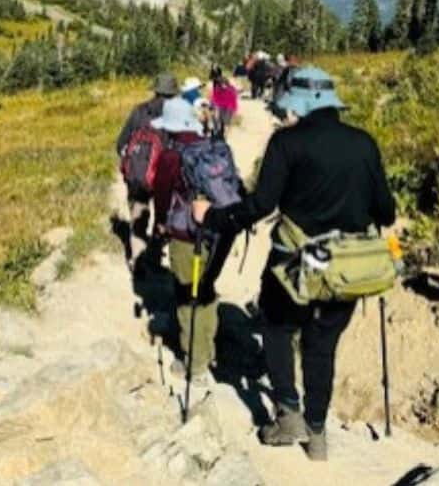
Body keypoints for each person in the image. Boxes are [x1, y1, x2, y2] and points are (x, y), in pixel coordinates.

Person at [192, 65, 395, 461]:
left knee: (276, 328)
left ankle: (288, 414)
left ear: (299, 102)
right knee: (323, 347)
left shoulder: (287, 143)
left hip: (293, 265)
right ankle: (317, 434)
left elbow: (260, 206)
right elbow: (385, 212)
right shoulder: (364, 143)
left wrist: (211, 216)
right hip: (346, 269)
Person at [148, 97, 234, 381]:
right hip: (217, 231)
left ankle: (195, 364)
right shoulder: (212, 146)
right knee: (206, 290)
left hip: (187, 235)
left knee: (189, 296)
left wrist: (160, 225)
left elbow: (161, 197)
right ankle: (208, 351)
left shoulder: (172, 156)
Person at [113, 73, 180, 268]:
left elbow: (120, 144)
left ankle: (138, 260)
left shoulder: (138, 111)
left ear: (156, 90)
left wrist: (132, 163)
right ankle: (155, 257)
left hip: (137, 175)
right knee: (162, 218)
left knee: (138, 217)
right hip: (163, 177)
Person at [210, 67, 240, 132]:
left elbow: (234, 99)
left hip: (230, 106)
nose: (222, 85)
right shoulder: (217, 89)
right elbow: (214, 97)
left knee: (226, 121)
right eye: (221, 84)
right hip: (222, 106)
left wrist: (234, 109)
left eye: (223, 83)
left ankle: (224, 131)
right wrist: (212, 104)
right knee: (220, 119)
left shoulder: (231, 89)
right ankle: (220, 131)